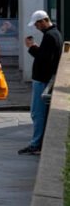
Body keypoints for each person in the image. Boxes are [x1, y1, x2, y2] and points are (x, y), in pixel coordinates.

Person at [19, 10, 64, 156]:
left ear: (44, 21)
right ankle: (38, 143)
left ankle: (36, 144)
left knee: (37, 113)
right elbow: (47, 56)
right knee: (40, 113)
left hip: (42, 79)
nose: (37, 27)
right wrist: (37, 48)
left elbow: (44, 59)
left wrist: (31, 47)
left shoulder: (50, 36)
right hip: (46, 78)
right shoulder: (55, 34)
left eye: (37, 24)